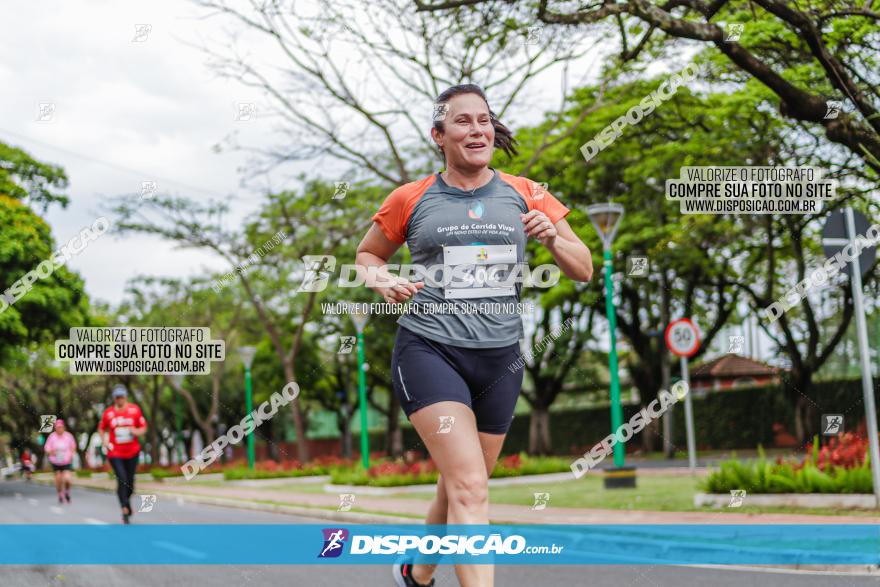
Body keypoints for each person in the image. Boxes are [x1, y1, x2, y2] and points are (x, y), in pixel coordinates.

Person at [356, 84, 592, 587]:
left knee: (463, 483)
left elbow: (584, 267)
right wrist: (382, 280)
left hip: (499, 358)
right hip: (429, 349)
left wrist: (552, 239)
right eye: (462, 122)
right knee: (469, 487)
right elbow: (367, 255)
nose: (477, 129)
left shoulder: (528, 193)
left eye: (483, 120)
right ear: (438, 135)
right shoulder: (411, 197)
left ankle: (417, 572)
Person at [99, 384, 147, 524]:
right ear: (114, 398)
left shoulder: (134, 410)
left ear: (126, 397)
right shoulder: (108, 413)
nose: (119, 399)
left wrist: (136, 432)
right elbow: (101, 429)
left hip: (132, 451)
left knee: (130, 482)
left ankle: (127, 503)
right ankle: (124, 508)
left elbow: (143, 427)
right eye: (117, 397)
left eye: (122, 396)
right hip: (115, 452)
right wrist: (105, 442)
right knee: (122, 478)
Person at [43, 419, 77, 503]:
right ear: (55, 428)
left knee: (67, 479)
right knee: (58, 479)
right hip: (56, 461)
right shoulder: (52, 437)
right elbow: (46, 448)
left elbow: (73, 447)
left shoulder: (69, 436)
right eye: (58, 427)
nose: (59, 429)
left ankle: (67, 492)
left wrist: (72, 455)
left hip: (66, 461)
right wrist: (51, 452)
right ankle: (60, 494)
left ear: (63, 427)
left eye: (61, 427)